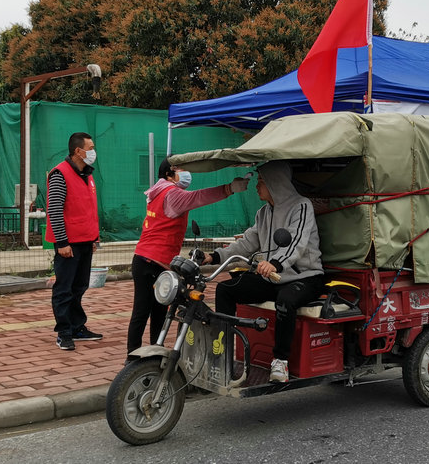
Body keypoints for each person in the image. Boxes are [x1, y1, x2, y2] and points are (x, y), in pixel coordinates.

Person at [205, 161, 323, 383]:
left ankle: (281, 362)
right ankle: (223, 353)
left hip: (305, 276)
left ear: (275, 183)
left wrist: (275, 263)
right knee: (225, 289)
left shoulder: (301, 206)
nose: (256, 186)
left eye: (261, 181)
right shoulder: (263, 213)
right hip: (273, 276)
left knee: (285, 299)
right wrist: (214, 256)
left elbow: (296, 242)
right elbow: (246, 243)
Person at [126, 158, 249, 361]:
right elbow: (199, 197)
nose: (187, 174)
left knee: (152, 311)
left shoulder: (157, 192)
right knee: (149, 312)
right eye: (181, 169)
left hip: (145, 259)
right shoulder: (172, 193)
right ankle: (134, 360)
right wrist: (229, 188)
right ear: (169, 173)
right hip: (153, 262)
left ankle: (147, 357)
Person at [46, 132, 102, 351]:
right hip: (68, 243)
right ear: (79, 151)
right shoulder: (60, 173)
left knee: (80, 286)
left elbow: (88, 209)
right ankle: (64, 332)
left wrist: (94, 238)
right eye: (91, 147)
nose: (93, 151)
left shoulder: (87, 175)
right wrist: (62, 242)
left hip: (85, 240)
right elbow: (55, 210)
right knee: (64, 288)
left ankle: (77, 326)